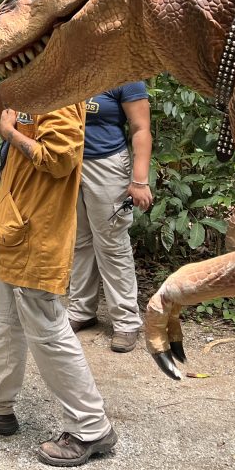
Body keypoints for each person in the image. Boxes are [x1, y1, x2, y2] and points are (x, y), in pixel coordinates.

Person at [0, 72, 117, 467]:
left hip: (37, 232)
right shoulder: (30, 90)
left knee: (48, 328)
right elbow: (2, 123)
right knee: (6, 323)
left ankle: (91, 428)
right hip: (13, 228)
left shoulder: (58, 92)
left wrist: (12, 135)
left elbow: (60, 159)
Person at [69, 84, 153, 352]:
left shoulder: (124, 74)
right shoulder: (70, 66)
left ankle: (127, 321)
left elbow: (140, 128)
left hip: (107, 164)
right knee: (80, 240)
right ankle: (81, 310)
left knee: (112, 242)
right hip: (67, 163)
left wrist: (139, 180)